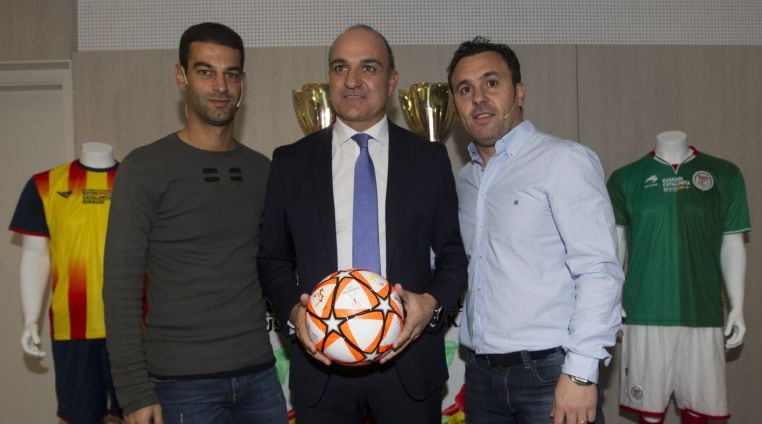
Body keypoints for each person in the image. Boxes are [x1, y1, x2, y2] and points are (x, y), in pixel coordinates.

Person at [258, 24, 468, 423]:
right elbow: (272, 259)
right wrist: (294, 314)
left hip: (409, 364)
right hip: (321, 366)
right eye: (340, 68)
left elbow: (453, 255)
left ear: (391, 81)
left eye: (368, 68)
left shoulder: (429, 159)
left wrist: (430, 303)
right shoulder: (290, 162)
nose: (352, 81)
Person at [103, 22, 286, 424]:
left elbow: (277, 264)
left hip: (260, 377)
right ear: (181, 76)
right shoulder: (144, 168)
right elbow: (120, 286)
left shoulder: (263, 171)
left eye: (231, 74)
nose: (220, 86)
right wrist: (133, 392)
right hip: (180, 384)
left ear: (242, 83)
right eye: (206, 71)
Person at [447, 37, 624, 424]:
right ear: (456, 106)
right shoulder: (465, 181)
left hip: (551, 374)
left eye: (491, 83)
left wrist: (580, 372)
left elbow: (599, 270)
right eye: (465, 89)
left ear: (519, 92)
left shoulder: (563, 161)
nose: (478, 98)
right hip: (479, 378)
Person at [607, 130, 750, 424]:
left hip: (702, 311)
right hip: (645, 311)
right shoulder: (626, 179)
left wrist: (737, 305)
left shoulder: (724, 174)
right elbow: (616, 243)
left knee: (699, 410)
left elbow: (732, 242)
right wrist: (612, 297)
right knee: (649, 414)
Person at [9, 142, 121, 424]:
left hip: (134, 328)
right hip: (73, 325)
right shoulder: (46, 185)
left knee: (142, 415)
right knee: (77, 417)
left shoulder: (139, 182)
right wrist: (30, 319)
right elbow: (35, 255)